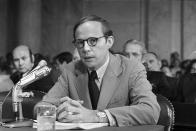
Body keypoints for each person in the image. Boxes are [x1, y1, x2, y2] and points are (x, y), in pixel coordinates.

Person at [36, 15, 160, 126]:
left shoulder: (132, 68)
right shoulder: (70, 70)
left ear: (109, 42)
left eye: (93, 41)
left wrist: (96, 116)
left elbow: (150, 111)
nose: (85, 49)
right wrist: (61, 112)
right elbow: (41, 107)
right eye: (80, 42)